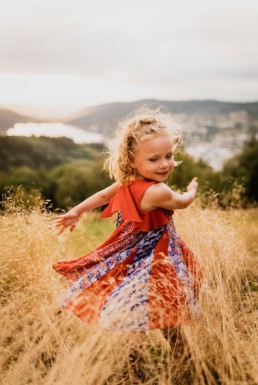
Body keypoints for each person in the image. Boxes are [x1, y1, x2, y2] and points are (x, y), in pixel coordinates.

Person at [51, 108, 203, 333]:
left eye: (168, 156)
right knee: (165, 310)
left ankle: (138, 353)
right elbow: (182, 202)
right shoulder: (158, 191)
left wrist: (77, 211)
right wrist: (192, 190)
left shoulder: (127, 181)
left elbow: (103, 196)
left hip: (131, 256)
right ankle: (180, 359)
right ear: (132, 161)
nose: (164, 165)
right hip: (154, 257)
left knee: (141, 308)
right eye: (154, 159)